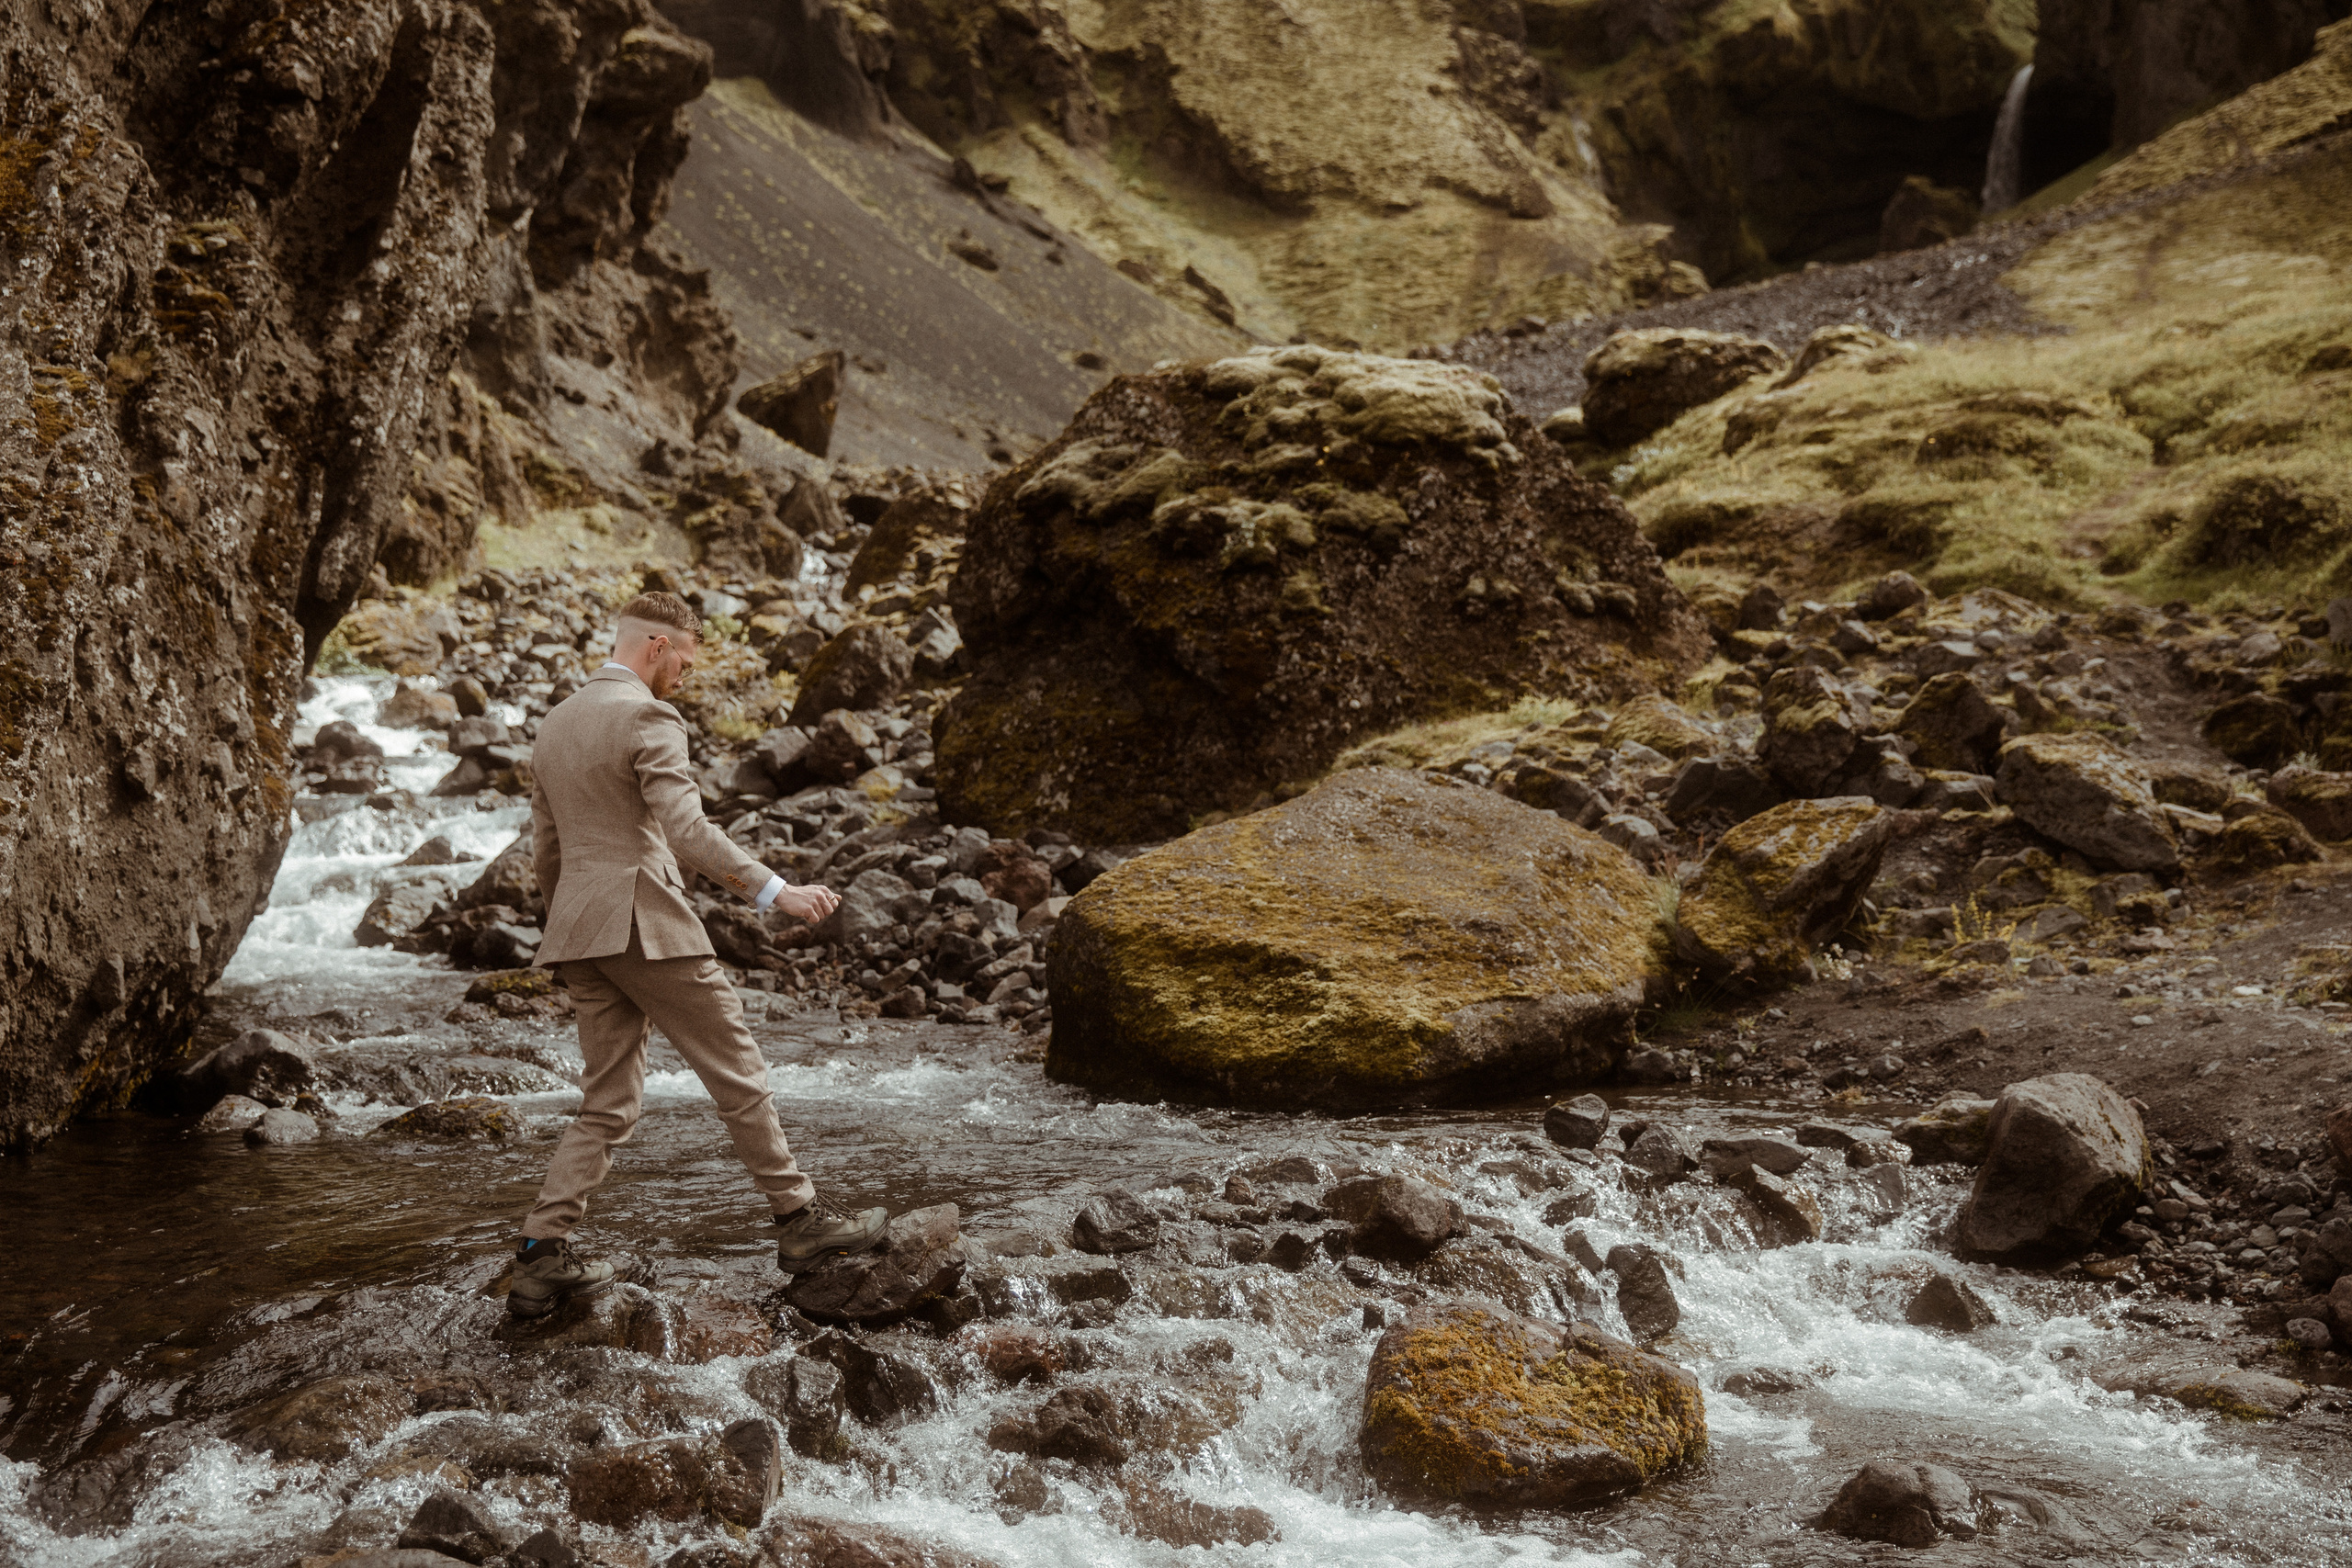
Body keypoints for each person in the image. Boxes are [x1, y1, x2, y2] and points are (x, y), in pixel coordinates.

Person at [504, 591, 887, 1320]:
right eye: (683, 657)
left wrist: (565, 932)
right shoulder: (648, 714)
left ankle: (540, 1253)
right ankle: (798, 1218)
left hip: (580, 932)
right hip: (645, 922)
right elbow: (687, 829)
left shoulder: (554, 725)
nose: (685, 673)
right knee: (736, 1064)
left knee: (608, 1100)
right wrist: (779, 890)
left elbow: (547, 850)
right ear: (655, 645)